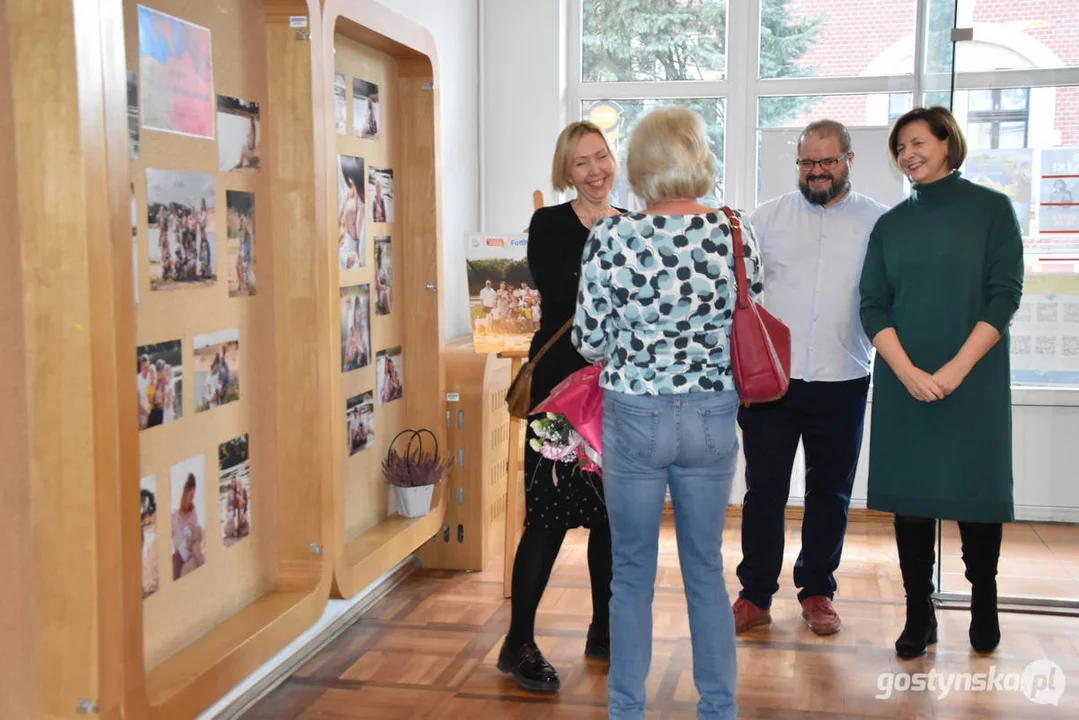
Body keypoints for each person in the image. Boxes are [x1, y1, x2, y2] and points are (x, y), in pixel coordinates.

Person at [573, 106, 762, 720]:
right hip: (711, 414)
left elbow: (590, 340)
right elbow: (748, 310)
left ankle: (625, 710)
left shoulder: (611, 236)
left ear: (639, 166)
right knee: (705, 569)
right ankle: (718, 709)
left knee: (630, 572)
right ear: (697, 158)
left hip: (635, 416)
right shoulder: (733, 230)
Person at [859, 106, 1024, 658]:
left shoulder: (992, 210)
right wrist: (905, 372)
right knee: (912, 500)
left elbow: (1005, 295)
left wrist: (954, 369)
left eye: (917, 142)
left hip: (972, 379)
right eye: (900, 147)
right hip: (906, 380)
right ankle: (917, 610)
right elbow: (873, 305)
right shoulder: (891, 225)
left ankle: (984, 599)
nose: (908, 154)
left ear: (948, 143)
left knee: (976, 497)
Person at [732, 120, 888, 636]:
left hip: (844, 377)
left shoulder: (878, 222)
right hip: (772, 383)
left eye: (828, 161)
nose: (817, 170)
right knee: (765, 491)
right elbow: (743, 297)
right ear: (797, 163)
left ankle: (817, 589)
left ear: (848, 159)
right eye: (807, 162)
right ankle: (754, 594)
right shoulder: (765, 219)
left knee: (831, 493)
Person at [496, 120, 622, 694]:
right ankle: (517, 642)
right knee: (545, 521)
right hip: (560, 397)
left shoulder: (631, 226)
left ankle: (604, 629)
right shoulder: (549, 223)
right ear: (565, 171)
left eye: (601, 157)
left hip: (617, 392)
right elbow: (569, 290)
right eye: (581, 163)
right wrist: (620, 245)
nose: (594, 170)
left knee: (611, 521)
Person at [171, 473, 206, 579]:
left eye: (193, 496)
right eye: (190, 496)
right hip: (180, 556)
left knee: (194, 560)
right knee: (195, 549)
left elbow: (197, 534)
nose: (192, 499)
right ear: (184, 494)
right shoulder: (174, 517)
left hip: (191, 555)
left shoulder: (193, 512)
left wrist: (194, 538)